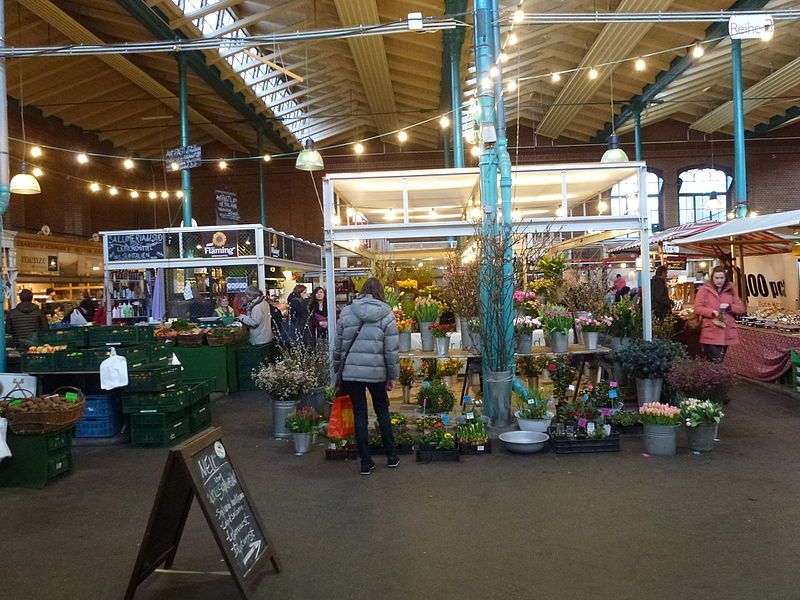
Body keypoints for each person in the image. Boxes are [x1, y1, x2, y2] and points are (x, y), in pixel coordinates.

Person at [334, 277, 400, 475]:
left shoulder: (347, 312)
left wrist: (338, 371)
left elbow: (338, 346)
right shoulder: (387, 314)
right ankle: (391, 456)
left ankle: (365, 461)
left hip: (352, 373)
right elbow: (391, 351)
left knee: (360, 414)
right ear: (380, 291)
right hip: (377, 372)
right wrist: (391, 376)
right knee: (382, 412)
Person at [694, 266, 746, 363]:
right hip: (711, 330)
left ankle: (718, 376)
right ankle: (713, 377)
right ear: (712, 278)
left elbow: (741, 309)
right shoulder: (704, 290)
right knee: (714, 361)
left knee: (720, 360)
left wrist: (730, 307)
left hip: (726, 330)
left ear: (725, 278)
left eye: (722, 278)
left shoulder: (731, 290)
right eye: (717, 278)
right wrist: (711, 312)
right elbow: (697, 308)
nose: (719, 281)